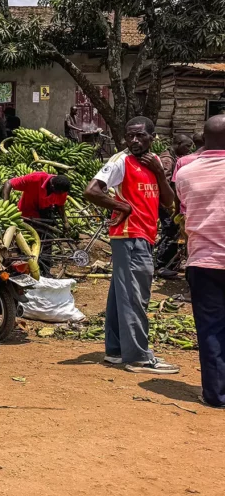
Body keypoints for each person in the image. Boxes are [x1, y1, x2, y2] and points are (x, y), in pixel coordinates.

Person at [85, 116, 177, 374]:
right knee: (136, 297)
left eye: (140, 136)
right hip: (129, 234)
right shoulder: (120, 161)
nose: (134, 140)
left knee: (121, 295)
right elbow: (92, 190)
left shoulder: (155, 162)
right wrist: (120, 205)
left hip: (145, 235)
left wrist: (159, 173)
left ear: (152, 137)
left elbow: (168, 201)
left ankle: (115, 351)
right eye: (129, 135)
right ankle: (138, 357)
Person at [175, 115, 225, 408]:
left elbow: (184, 212)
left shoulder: (185, 174)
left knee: (210, 329)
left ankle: (216, 395)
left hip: (203, 261)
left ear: (203, 139)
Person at [2, 172, 72, 275]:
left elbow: (60, 205)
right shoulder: (35, 178)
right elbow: (8, 183)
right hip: (27, 215)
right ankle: (23, 272)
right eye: (58, 192)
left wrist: (65, 221)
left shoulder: (61, 190)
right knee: (25, 246)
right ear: (52, 186)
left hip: (44, 215)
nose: (60, 195)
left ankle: (45, 272)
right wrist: (5, 206)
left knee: (46, 245)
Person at [156, 133, 194, 274]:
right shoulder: (167, 159)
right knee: (169, 231)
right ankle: (161, 266)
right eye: (187, 146)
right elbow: (164, 183)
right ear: (178, 143)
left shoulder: (173, 157)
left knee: (173, 232)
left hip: (170, 202)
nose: (189, 149)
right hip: (167, 203)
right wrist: (171, 204)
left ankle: (171, 264)